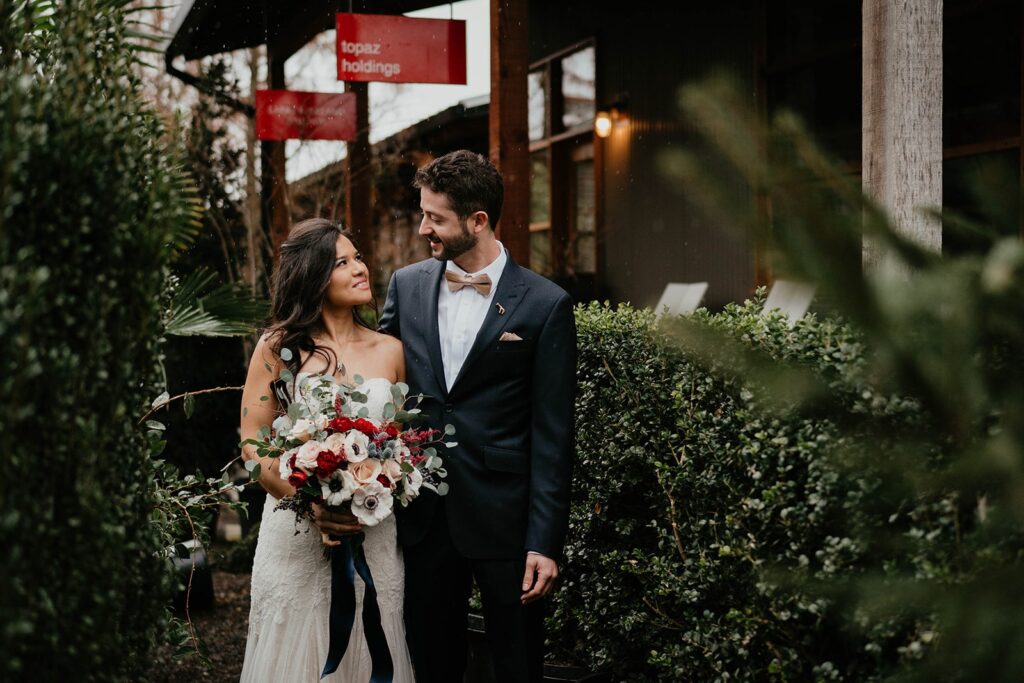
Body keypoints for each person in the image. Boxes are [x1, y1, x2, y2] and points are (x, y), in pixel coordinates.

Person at [378, 150, 577, 682]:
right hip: (423, 519)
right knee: (429, 663)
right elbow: (380, 389)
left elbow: (553, 435)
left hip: (506, 523)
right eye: (423, 214)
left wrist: (544, 540)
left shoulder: (545, 303)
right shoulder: (407, 285)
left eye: (435, 218)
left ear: (478, 220)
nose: (423, 228)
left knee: (517, 665)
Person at [238, 218, 414, 682]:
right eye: (343, 262)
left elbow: (398, 443)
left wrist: (383, 477)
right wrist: (308, 502)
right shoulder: (276, 348)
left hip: (372, 534)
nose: (360, 268)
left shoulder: (391, 351)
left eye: (358, 257)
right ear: (314, 275)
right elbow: (253, 443)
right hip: (295, 541)